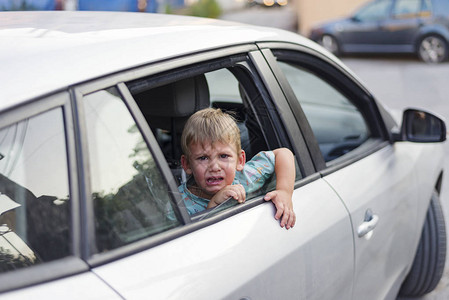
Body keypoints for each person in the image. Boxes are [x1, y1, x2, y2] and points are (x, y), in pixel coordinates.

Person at [179, 108, 296, 229]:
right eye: (203, 158)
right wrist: (214, 205)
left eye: (223, 156)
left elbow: (283, 153)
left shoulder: (247, 176)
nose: (214, 167)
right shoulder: (179, 207)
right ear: (187, 164)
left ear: (240, 160)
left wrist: (284, 191)